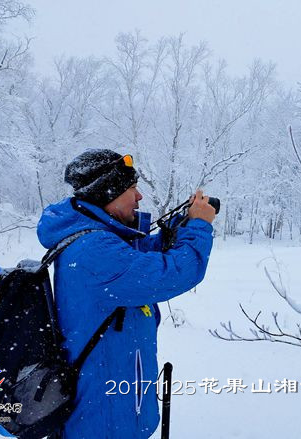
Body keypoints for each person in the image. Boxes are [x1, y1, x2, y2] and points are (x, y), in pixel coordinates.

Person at [37, 149, 215, 438]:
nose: (139, 196)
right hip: (104, 421)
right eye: (131, 188)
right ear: (106, 194)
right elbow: (174, 273)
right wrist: (198, 227)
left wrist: (178, 227)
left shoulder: (98, 242)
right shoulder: (94, 252)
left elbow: (139, 259)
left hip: (111, 407)